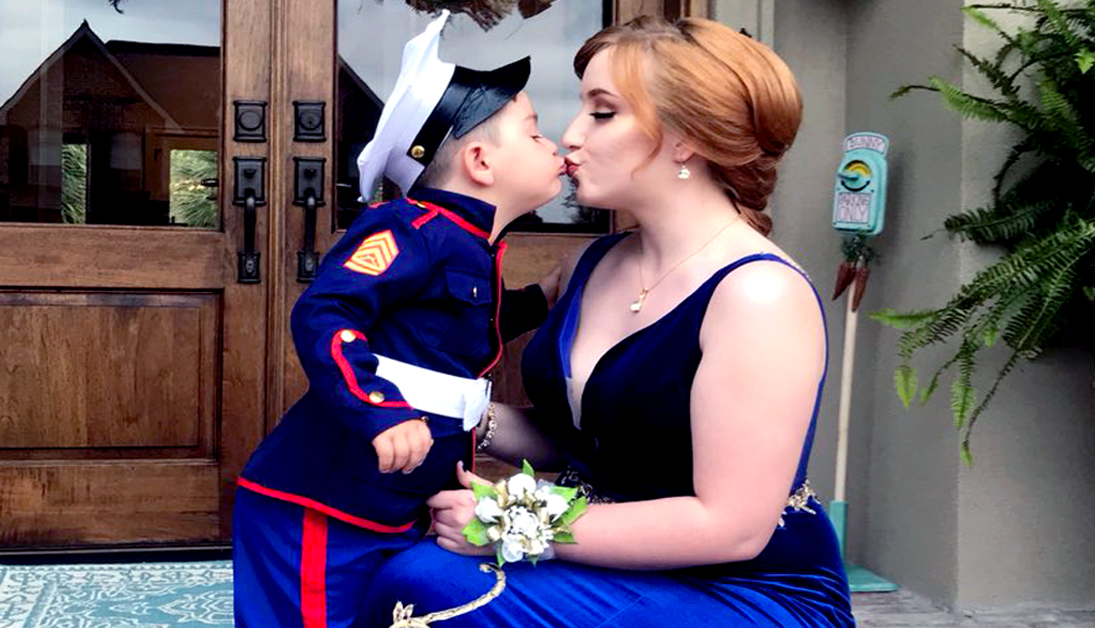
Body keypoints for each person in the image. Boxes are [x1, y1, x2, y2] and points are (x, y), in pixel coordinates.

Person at [359, 15, 855, 628]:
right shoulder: (590, 265)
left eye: (601, 112)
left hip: (738, 587)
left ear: (685, 137)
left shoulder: (759, 294)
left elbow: (731, 527)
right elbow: (589, 440)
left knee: (432, 590)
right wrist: (451, 409)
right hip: (605, 558)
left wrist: (510, 522)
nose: (570, 135)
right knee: (406, 562)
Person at [232, 11, 565, 627]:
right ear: (480, 162)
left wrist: (542, 300)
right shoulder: (409, 229)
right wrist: (378, 408)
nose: (556, 146)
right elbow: (326, 311)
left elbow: (454, 331)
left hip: (392, 497)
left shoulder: (470, 244)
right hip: (323, 505)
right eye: (536, 133)